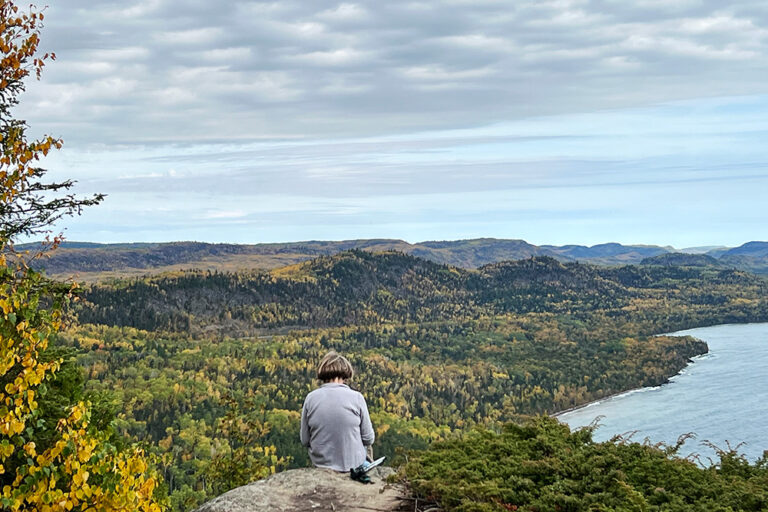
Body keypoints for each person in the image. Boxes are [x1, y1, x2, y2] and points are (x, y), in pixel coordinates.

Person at [300, 351, 375, 472]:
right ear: (345, 374)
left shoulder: (310, 398)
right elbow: (368, 439)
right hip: (352, 464)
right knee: (368, 447)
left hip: (321, 464)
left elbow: (305, 440)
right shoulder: (357, 397)